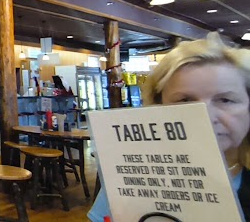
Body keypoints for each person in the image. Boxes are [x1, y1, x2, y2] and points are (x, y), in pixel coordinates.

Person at [88, 32, 250, 221]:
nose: (205, 115)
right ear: (159, 108)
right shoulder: (131, 178)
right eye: (185, 100)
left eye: (225, 99)